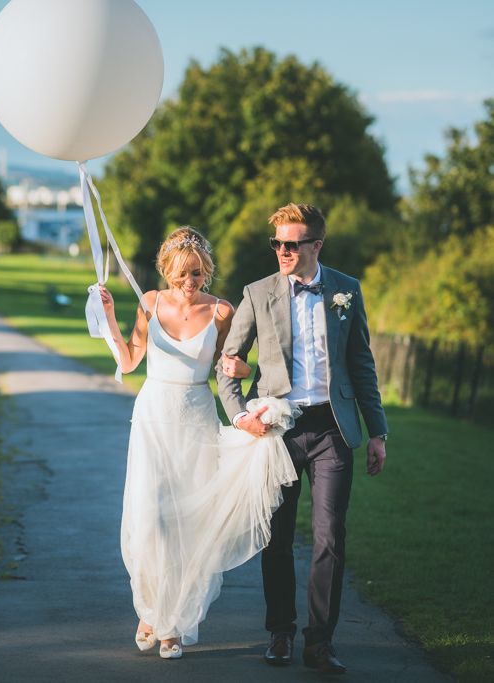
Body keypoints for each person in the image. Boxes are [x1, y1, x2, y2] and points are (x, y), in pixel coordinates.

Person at [100, 226, 299, 659]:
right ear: (167, 271)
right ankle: (150, 610)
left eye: (196, 274)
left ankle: (173, 623)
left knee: (187, 523)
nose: (189, 283)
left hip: (195, 419)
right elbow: (130, 360)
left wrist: (243, 375)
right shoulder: (150, 302)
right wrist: (110, 316)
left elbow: (234, 369)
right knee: (149, 516)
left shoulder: (223, 311)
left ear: (206, 271)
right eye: (181, 275)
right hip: (152, 417)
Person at [217, 203, 388, 675]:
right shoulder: (257, 292)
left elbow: (362, 364)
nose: (283, 252)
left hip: (333, 428)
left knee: (330, 536)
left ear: (316, 245)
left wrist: (378, 432)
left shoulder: (346, 291)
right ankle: (280, 633)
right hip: (278, 432)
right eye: (277, 244)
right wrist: (238, 417)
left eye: (292, 244)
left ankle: (320, 641)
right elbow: (228, 365)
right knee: (277, 537)